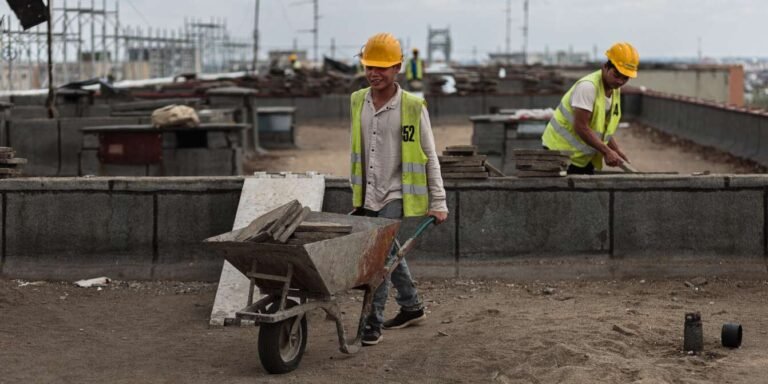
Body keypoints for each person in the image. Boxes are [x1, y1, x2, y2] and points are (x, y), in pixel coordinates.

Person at [349, 32, 449, 346]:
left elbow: (429, 154)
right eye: (368, 67)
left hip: (395, 193)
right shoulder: (357, 101)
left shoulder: (413, 106)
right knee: (390, 252)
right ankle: (412, 306)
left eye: (382, 67)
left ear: (398, 68)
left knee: (379, 258)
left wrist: (439, 201)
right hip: (367, 192)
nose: (373, 73)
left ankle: (371, 324)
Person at [541, 42, 639, 174]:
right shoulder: (588, 87)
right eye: (616, 75)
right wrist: (606, 152)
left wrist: (616, 150)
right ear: (605, 67)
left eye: (625, 78)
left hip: (581, 158)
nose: (620, 81)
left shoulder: (614, 89)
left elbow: (602, 129)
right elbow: (581, 126)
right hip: (559, 155)